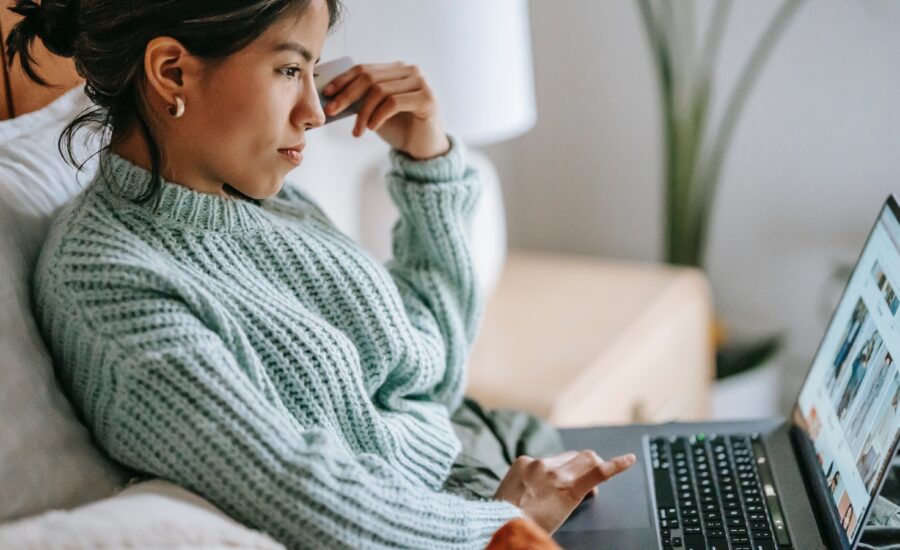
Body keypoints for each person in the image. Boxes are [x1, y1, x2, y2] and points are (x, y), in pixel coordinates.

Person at [9, 1, 636, 548]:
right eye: (288, 70)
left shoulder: (264, 202)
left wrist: (428, 161)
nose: (313, 110)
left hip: (483, 457)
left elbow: (430, 373)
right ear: (171, 70)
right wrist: (505, 523)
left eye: (313, 71)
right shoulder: (106, 282)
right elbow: (300, 494)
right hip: (461, 522)